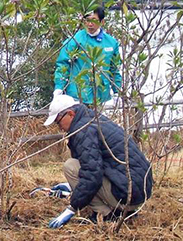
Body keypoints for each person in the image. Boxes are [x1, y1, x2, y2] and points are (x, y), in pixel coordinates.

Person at [42, 94, 153, 229]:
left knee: (70, 166)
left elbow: (92, 175)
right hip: (137, 190)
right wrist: (70, 185)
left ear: (70, 114)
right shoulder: (93, 118)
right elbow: (96, 163)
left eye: (58, 121)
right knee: (79, 170)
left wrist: (72, 208)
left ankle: (107, 214)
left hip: (126, 194)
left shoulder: (83, 130)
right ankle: (121, 210)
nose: (58, 126)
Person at [54, 6, 121, 107]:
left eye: (94, 20)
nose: (90, 24)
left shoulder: (111, 43)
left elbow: (114, 69)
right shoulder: (75, 40)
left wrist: (117, 91)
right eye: (87, 20)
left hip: (101, 96)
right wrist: (59, 88)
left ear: (102, 22)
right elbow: (63, 64)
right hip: (77, 95)